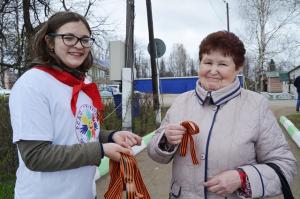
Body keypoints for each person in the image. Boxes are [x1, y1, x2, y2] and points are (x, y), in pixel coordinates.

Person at [147, 31, 297, 199]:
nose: (213, 70)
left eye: (223, 64)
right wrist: (165, 140)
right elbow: (154, 153)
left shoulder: (256, 106)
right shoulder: (181, 102)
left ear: (238, 68)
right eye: (208, 62)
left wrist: (243, 178)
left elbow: (285, 166)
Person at [9, 11, 142, 199]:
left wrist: (110, 137)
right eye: (69, 38)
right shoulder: (32, 84)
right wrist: (102, 150)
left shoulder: (80, 84)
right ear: (49, 42)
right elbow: (36, 155)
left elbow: (78, 134)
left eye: (85, 40)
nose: (78, 46)